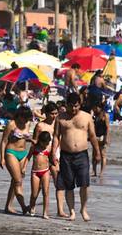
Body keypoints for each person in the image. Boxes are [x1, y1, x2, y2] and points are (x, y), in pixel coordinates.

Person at [54, 93, 101, 223]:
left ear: (80, 105)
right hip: (66, 155)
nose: (73, 109)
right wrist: (53, 153)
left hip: (82, 154)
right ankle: (72, 211)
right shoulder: (60, 118)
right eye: (71, 106)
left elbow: (92, 136)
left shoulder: (86, 117)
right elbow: (56, 137)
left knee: (85, 184)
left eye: (76, 106)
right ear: (66, 104)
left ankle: (83, 209)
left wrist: (97, 153)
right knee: (69, 185)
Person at [0, 106, 33, 215]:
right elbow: (4, 141)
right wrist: (2, 158)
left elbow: (25, 138)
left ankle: (8, 206)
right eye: (25, 118)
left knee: (15, 180)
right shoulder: (11, 124)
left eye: (28, 118)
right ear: (19, 115)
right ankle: (24, 207)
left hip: (23, 153)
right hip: (11, 152)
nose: (26, 120)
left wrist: (32, 140)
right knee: (18, 181)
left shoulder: (28, 124)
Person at [27, 102, 58, 219]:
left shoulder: (57, 124)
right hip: (40, 154)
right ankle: (32, 205)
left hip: (53, 153)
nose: (54, 116)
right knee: (37, 188)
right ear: (47, 113)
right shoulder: (40, 126)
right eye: (52, 114)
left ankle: (55, 210)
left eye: (56, 113)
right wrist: (28, 159)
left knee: (54, 183)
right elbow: (35, 142)